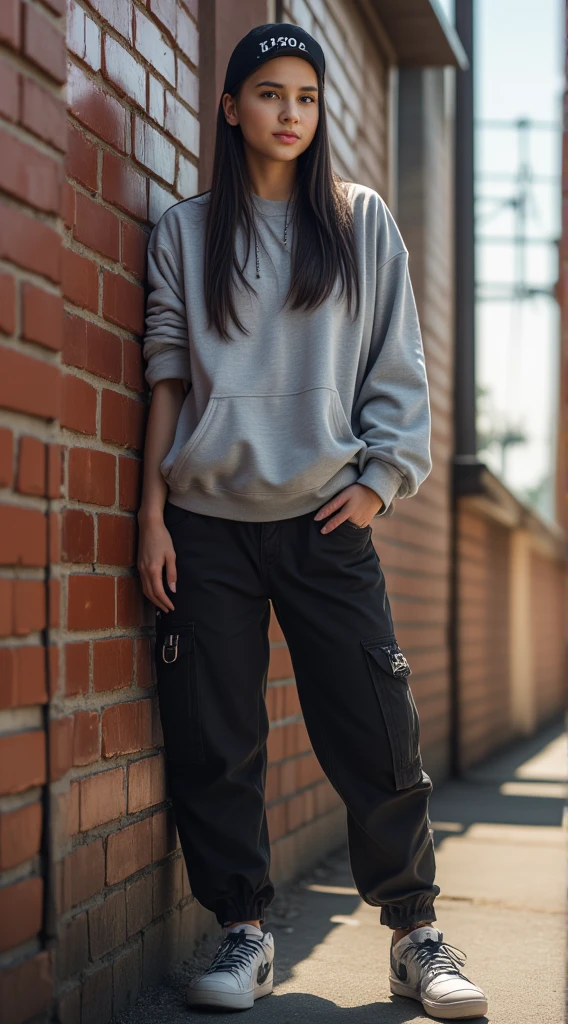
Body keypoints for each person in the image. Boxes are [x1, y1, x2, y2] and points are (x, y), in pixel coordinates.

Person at [138, 21, 488, 1021]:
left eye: (306, 96)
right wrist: (149, 516)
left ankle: (414, 932)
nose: (290, 113)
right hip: (205, 522)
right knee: (215, 736)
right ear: (229, 106)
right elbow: (165, 381)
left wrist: (382, 479)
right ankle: (242, 931)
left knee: (377, 729)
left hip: (328, 519)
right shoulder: (183, 230)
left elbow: (397, 364)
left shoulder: (360, 220)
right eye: (269, 93)